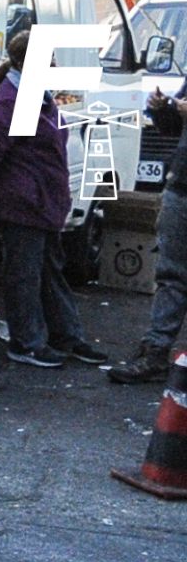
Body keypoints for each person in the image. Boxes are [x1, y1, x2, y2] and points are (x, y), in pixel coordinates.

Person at [0, 31, 109, 370]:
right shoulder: (16, 98)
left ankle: (66, 336)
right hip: (27, 202)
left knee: (48, 272)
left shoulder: (30, 93)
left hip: (41, 201)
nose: (55, 65)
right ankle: (27, 344)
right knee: (25, 275)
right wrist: (11, 189)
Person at [108, 83, 187, 383]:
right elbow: (171, 128)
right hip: (181, 187)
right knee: (171, 275)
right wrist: (160, 109)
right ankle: (155, 352)